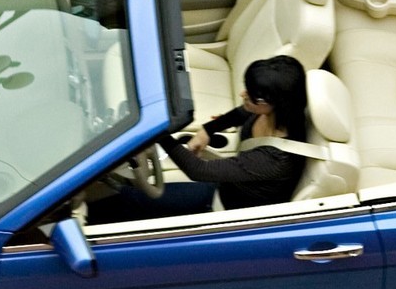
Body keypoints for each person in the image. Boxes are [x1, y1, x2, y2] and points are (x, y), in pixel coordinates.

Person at [87, 55, 311, 224]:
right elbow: (242, 113)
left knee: (133, 202)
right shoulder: (277, 112)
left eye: (251, 95)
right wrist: (207, 131)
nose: (243, 94)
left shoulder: (274, 159)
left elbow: (199, 171)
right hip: (229, 185)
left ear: (273, 103)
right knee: (131, 198)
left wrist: (159, 131)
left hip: (223, 208)